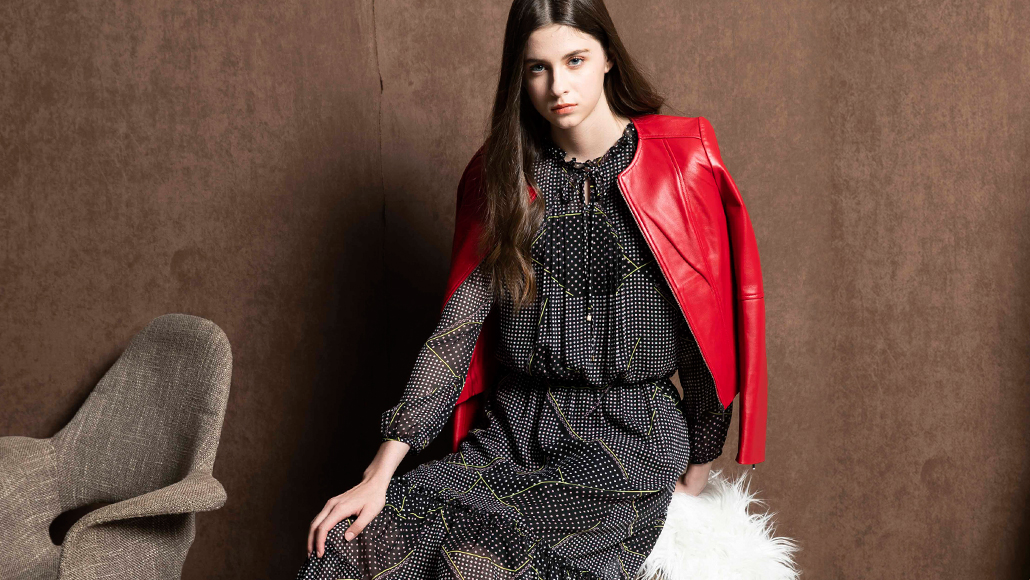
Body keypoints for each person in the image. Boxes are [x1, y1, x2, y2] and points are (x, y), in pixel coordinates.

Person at [296, 0, 767, 578]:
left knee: (477, 566)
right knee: (350, 549)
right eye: (538, 68)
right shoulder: (499, 174)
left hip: (628, 439)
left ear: (609, 58)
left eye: (575, 60)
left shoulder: (678, 164)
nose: (558, 86)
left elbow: (705, 332)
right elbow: (455, 337)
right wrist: (380, 471)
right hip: (513, 430)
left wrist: (699, 462)